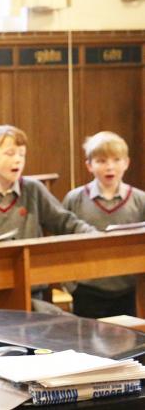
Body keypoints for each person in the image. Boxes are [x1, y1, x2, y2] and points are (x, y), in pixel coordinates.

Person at [0, 125, 95, 311]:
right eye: (10, 153)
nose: (18, 160)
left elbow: (66, 222)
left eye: (22, 155)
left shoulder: (33, 189)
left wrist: (98, 236)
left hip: (32, 291)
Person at [62, 131, 144, 318]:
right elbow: (61, 241)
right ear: (89, 165)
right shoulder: (75, 199)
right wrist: (71, 285)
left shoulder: (140, 200)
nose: (110, 167)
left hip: (128, 290)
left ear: (127, 163)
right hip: (87, 290)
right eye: (101, 161)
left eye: (116, 160)